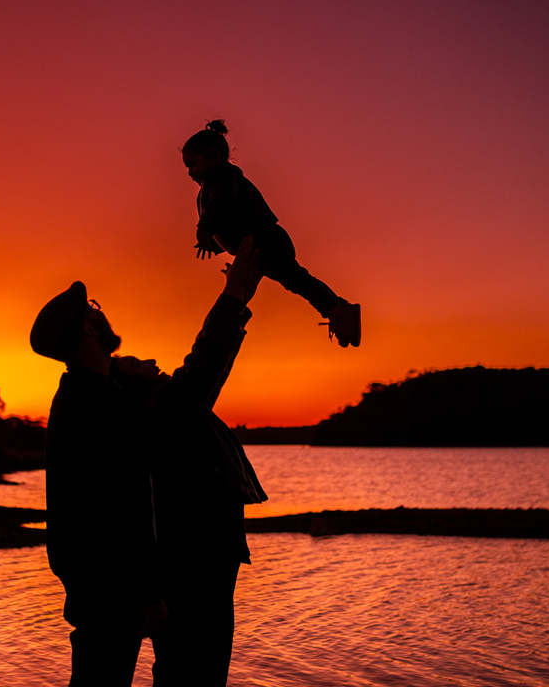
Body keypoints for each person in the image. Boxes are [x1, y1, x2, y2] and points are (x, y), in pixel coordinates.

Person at [111, 238, 268, 686]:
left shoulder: (169, 412)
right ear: (131, 386)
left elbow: (208, 375)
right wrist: (233, 294)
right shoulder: (160, 411)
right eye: (139, 363)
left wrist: (240, 303)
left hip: (199, 564)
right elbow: (202, 365)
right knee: (194, 670)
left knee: (189, 668)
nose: (152, 361)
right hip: (195, 567)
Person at [30, 280, 166, 685]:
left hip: (93, 590)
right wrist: (150, 593)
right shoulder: (99, 403)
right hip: (113, 592)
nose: (98, 310)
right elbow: (125, 501)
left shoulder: (76, 397)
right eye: (92, 307)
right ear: (89, 329)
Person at [182, 119, 362, 348]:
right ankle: (338, 310)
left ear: (214, 157)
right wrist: (217, 243)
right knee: (294, 278)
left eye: (193, 164)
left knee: (295, 278)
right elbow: (230, 218)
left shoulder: (221, 177)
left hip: (265, 239)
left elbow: (222, 201)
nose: (189, 173)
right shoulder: (218, 180)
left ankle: (337, 310)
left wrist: (205, 227)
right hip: (261, 242)